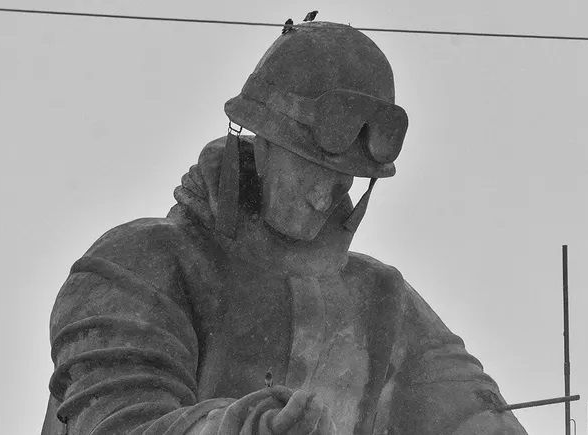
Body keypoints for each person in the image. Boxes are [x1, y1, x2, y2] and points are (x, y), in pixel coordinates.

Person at [42, 21, 527, 434]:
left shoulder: (383, 302)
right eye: (310, 170)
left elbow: (474, 417)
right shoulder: (139, 264)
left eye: (346, 180)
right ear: (261, 146)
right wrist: (243, 427)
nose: (325, 196)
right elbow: (123, 420)